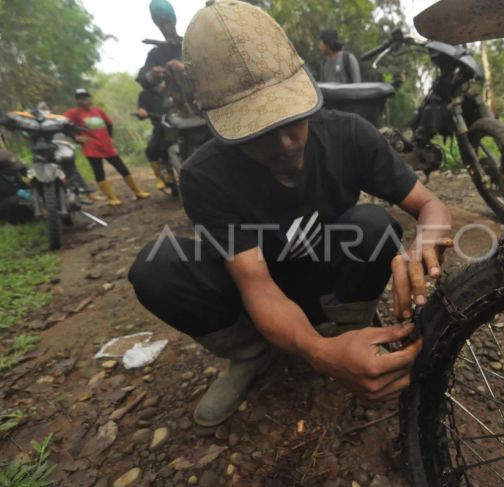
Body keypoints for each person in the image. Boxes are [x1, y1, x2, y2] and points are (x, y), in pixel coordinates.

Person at [128, 1, 452, 427]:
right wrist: (319, 357)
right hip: (258, 295)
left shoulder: (349, 135)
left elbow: (429, 205)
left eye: (291, 120)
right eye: (258, 130)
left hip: (326, 281)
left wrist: (424, 242)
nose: (283, 144)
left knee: (373, 226)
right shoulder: (205, 176)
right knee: (158, 267)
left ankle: (345, 331)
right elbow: (257, 286)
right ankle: (252, 355)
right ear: (215, 120)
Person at [64, 89, 150, 205]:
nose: (84, 100)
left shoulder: (98, 111)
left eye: (86, 97)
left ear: (90, 98)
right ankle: (112, 198)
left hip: (106, 145)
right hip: (91, 147)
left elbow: (109, 124)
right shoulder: (74, 113)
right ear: (77, 100)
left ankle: (138, 191)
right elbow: (64, 125)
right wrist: (75, 137)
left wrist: (110, 137)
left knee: (122, 168)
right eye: (81, 98)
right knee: (99, 172)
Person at [137, 0, 184, 91]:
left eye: (168, 22)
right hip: (177, 103)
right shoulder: (156, 54)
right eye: (162, 24)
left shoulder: (190, 43)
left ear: (174, 21)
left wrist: (184, 68)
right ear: (157, 25)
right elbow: (143, 81)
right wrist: (153, 74)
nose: (166, 28)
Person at [137, 85, 168, 190]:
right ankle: (159, 176)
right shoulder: (145, 95)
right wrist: (141, 112)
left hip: (184, 122)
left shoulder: (172, 86)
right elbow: (141, 109)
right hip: (161, 126)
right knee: (152, 149)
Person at [0, 149, 34, 224]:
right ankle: (15, 221)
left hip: (18, 188)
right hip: (4, 200)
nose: (15, 170)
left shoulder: (15, 166)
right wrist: (18, 192)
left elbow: (28, 172)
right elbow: (4, 188)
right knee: (17, 201)